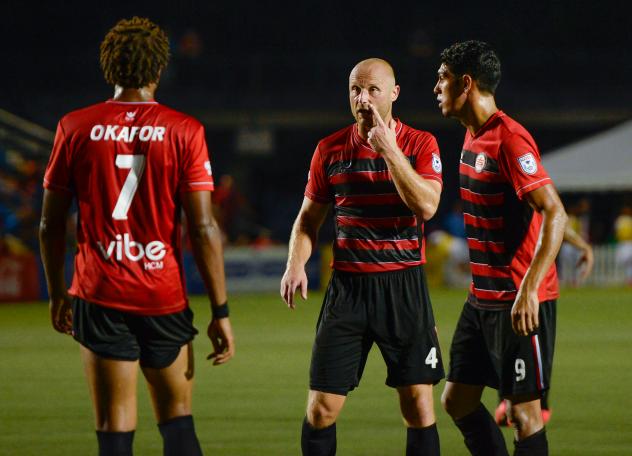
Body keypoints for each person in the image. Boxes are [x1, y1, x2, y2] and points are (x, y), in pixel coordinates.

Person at [39, 17, 234, 456]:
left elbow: (50, 223)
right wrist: (220, 309)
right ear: (158, 69)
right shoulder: (185, 130)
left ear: (108, 67)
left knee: (114, 430)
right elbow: (203, 228)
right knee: (178, 424)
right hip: (161, 294)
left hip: (99, 291)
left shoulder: (75, 126)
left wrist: (56, 292)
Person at [280, 58, 445, 456]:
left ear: (394, 93)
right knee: (321, 409)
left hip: (403, 286)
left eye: (373, 89)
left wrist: (388, 149)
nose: (363, 98)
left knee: (418, 406)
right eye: (356, 89)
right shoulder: (329, 149)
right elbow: (308, 219)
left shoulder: (421, 144)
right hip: (348, 290)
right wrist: (295, 263)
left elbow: (426, 206)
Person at [433, 41, 568, 456]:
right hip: (482, 300)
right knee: (457, 400)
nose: (436, 87)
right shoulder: (472, 137)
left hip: (518, 302)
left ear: (466, 82)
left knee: (525, 417)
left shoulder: (510, 140)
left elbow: (554, 212)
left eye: (443, 78)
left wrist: (528, 288)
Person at [495, 224, 594, 426]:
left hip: (538, 288)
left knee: (536, 353)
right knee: (506, 347)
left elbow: (555, 215)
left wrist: (581, 245)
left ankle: (540, 406)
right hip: (505, 283)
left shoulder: (534, 193)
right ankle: (507, 400)